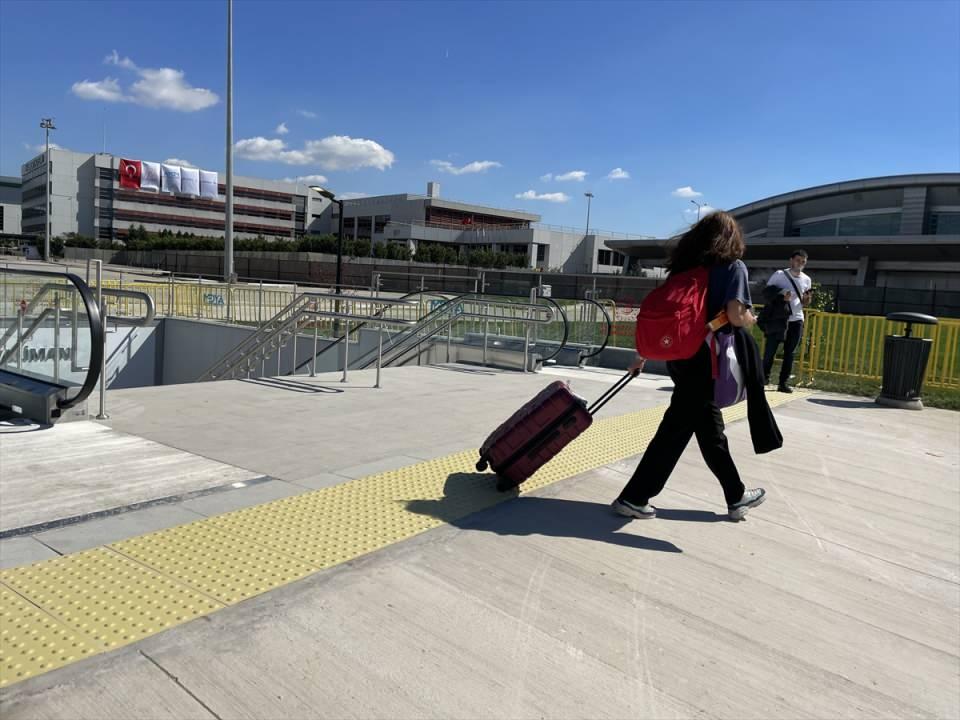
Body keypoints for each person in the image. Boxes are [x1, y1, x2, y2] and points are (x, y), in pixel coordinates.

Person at [613, 211, 767, 522]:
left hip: (680, 357)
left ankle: (735, 496)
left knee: (704, 429)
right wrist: (751, 318)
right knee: (681, 430)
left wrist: (642, 354)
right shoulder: (733, 267)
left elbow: (668, 317)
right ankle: (633, 497)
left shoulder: (687, 268)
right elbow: (736, 315)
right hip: (705, 359)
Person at [762, 250, 812, 393]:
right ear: (791, 260)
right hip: (779, 318)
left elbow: (805, 302)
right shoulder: (779, 275)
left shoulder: (807, 279)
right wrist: (781, 296)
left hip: (797, 319)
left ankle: (783, 383)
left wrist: (807, 300)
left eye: (803, 262)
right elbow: (767, 293)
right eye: (798, 260)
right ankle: (764, 378)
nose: (800, 264)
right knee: (770, 350)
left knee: (790, 353)